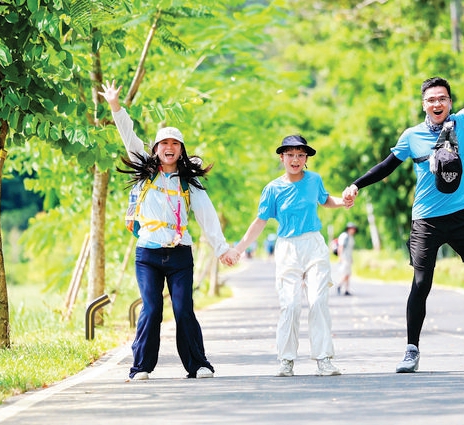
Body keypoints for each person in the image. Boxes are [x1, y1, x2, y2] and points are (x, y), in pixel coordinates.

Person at [342, 34, 464, 373]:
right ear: (424, 104)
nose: (438, 103)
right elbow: (387, 166)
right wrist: (356, 184)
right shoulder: (411, 136)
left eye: (443, 98)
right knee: (421, 283)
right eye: (431, 99)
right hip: (426, 220)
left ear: (450, 102)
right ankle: (411, 350)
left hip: (463, 214)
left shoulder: (461, 122)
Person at [99, 80, 239, 381]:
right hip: (148, 254)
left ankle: (198, 364)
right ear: (155, 149)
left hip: (180, 255)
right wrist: (115, 105)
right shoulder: (145, 172)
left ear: (181, 150)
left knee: (183, 309)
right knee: (151, 310)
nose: (169, 148)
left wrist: (222, 249)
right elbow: (128, 135)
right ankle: (140, 367)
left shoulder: (189, 183)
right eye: (164, 143)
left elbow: (207, 216)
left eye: (175, 144)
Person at [230, 135, 347, 377]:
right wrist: (239, 249)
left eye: (300, 155)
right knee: (291, 305)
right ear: (281, 157)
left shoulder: (314, 180)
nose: (295, 159)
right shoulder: (273, 189)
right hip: (288, 249)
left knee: (318, 301)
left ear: (306, 159)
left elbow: (325, 200)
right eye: (291, 155)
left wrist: (343, 202)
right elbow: (260, 221)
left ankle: (324, 358)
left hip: (313, 244)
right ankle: (286, 360)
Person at [336, 222, 358, 296]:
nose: (353, 230)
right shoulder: (344, 236)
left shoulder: (351, 237)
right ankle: (339, 285)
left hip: (348, 257)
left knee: (348, 274)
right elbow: (340, 247)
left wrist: (351, 258)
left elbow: (350, 249)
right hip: (344, 257)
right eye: (352, 229)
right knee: (345, 273)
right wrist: (340, 257)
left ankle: (346, 289)